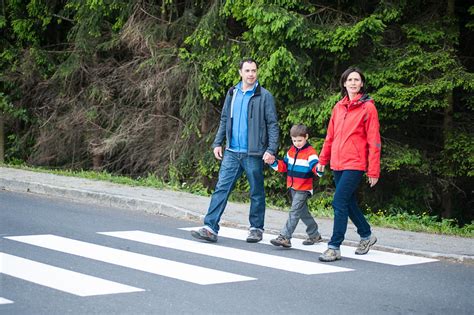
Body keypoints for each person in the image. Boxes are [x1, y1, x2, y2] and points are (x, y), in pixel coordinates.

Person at [191, 58, 279, 243]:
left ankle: (256, 228)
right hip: (231, 151)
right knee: (221, 188)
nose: (251, 74)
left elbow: (272, 124)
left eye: (254, 70)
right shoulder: (233, 93)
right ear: (240, 72)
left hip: (253, 153)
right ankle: (210, 227)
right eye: (247, 70)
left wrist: (271, 149)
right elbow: (224, 119)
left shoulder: (264, 96)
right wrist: (217, 143)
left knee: (256, 191)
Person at [317, 67, 381, 262]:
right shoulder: (338, 107)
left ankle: (334, 246)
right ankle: (367, 235)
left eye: (357, 80)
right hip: (338, 162)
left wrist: (373, 169)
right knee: (348, 202)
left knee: (338, 201)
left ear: (361, 84)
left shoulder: (368, 107)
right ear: (344, 83)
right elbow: (330, 136)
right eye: (350, 80)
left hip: (355, 162)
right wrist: (322, 160)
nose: (353, 83)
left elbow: (374, 140)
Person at [267, 124, 323, 248]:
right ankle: (314, 235)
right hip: (292, 186)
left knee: (294, 212)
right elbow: (284, 167)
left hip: (303, 188)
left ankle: (285, 237)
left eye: (300, 140)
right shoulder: (291, 151)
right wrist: (273, 162)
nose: (297, 143)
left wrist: (319, 169)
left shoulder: (311, 152)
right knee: (302, 213)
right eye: (294, 140)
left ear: (306, 137)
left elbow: (315, 166)